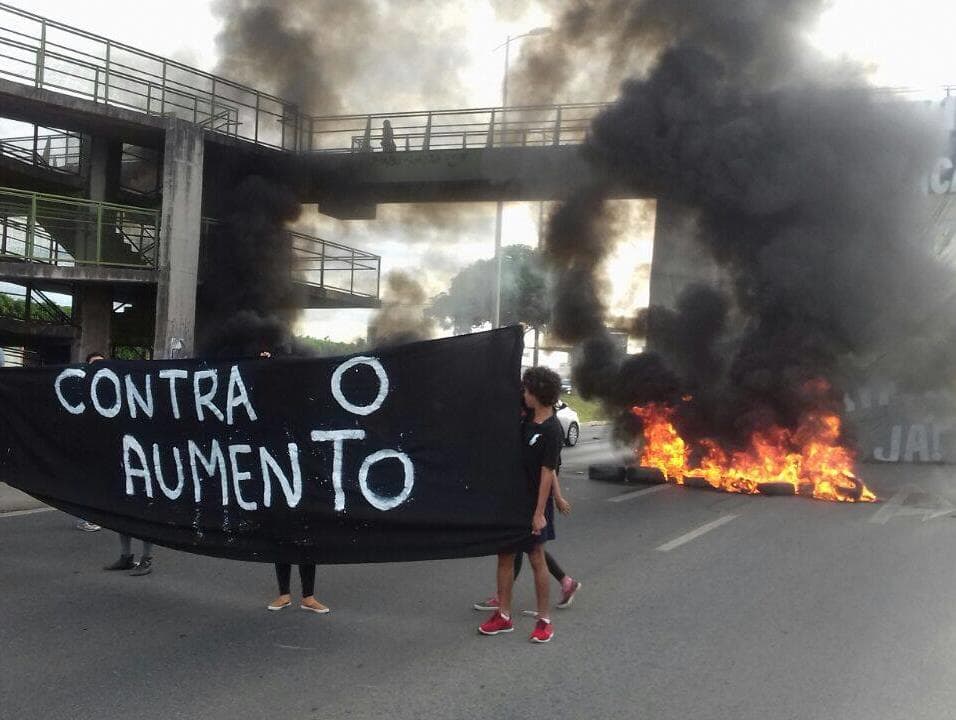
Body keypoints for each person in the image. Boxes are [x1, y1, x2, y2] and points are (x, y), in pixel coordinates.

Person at [478, 366, 566, 643]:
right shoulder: (527, 417)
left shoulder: (552, 430)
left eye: (528, 391)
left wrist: (540, 512)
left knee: (536, 559)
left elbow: (547, 472)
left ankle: (544, 621)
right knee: (504, 557)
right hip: (511, 502)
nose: (524, 395)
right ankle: (503, 616)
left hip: (533, 506)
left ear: (538, 395)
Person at [257, 349, 330, 614]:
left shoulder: (310, 409)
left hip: (306, 487)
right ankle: (283, 594)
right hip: (280, 483)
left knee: (307, 542)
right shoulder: (274, 412)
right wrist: (263, 367)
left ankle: (308, 597)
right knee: (282, 540)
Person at [75, 351, 104, 532]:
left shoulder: (107, 385)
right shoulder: (80, 384)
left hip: (101, 444)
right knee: (86, 482)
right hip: (84, 443)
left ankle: (94, 516)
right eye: (95, 363)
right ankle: (84, 518)